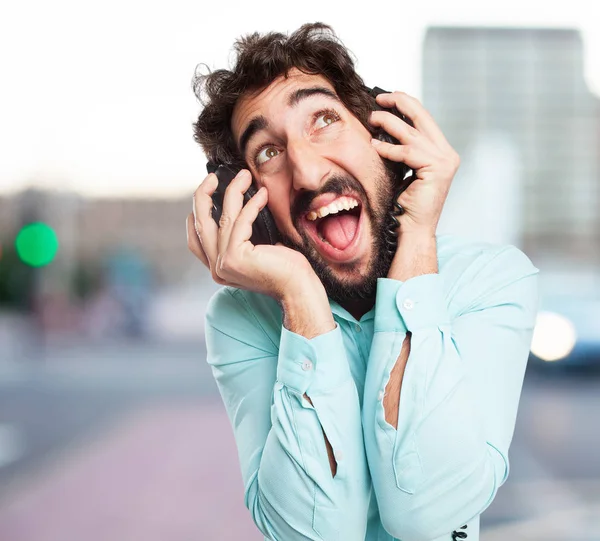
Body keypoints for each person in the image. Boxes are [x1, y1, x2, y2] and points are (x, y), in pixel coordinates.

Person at [186, 22, 540, 541]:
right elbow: (316, 533)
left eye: (323, 120)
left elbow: (430, 515)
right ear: (247, 203)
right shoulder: (241, 319)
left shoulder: (491, 280)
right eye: (268, 152)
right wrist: (300, 296)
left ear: (383, 138)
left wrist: (418, 236)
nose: (306, 172)